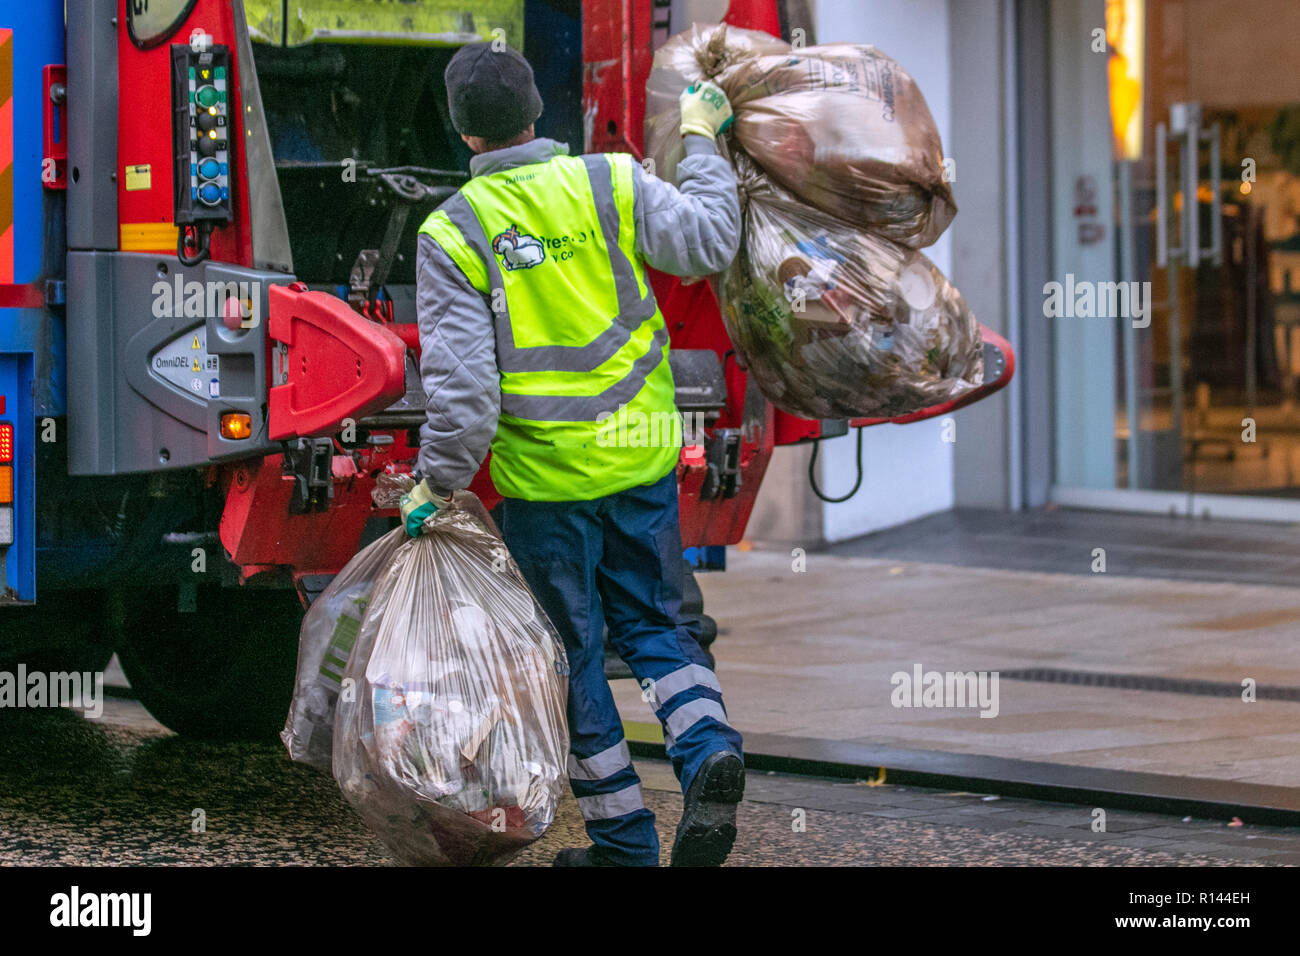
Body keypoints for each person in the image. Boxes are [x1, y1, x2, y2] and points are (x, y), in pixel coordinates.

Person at [398, 41, 744, 866]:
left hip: (548, 487)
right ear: (535, 116)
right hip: (642, 456)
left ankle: (624, 846)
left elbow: (467, 396)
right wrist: (701, 137)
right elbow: (707, 244)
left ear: (466, 136)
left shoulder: (455, 230)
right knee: (658, 622)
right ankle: (708, 749)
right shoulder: (607, 179)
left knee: (571, 658)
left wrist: (432, 486)